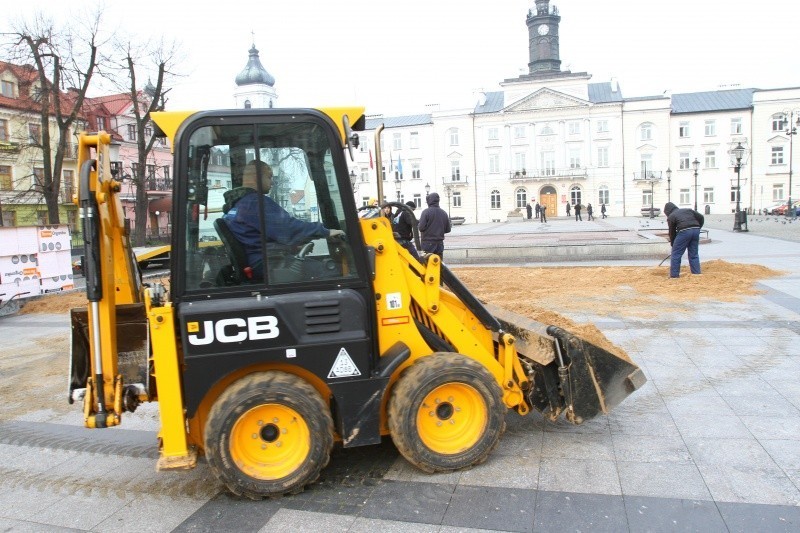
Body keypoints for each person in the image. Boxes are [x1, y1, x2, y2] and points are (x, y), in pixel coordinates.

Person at [222, 160, 344, 276]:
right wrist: (325, 231)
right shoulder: (256, 203)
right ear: (257, 177)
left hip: (258, 262)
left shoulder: (239, 205)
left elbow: (258, 239)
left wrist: (292, 247)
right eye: (269, 177)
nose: (272, 182)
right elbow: (288, 229)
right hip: (267, 265)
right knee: (329, 272)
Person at [663, 201, 704, 278]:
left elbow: (672, 232)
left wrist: (673, 244)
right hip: (696, 230)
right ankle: (696, 273)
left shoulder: (671, 216)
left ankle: (674, 276)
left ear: (667, 212)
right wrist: (698, 227)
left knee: (676, 254)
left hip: (684, 231)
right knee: (694, 254)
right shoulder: (688, 210)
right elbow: (701, 217)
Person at [418, 192, 451, 260]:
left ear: (428, 201)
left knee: (426, 265)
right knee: (438, 264)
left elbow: (421, 228)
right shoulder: (444, 213)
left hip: (427, 244)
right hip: (439, 244)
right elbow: (448, 229)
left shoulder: (426, 212)